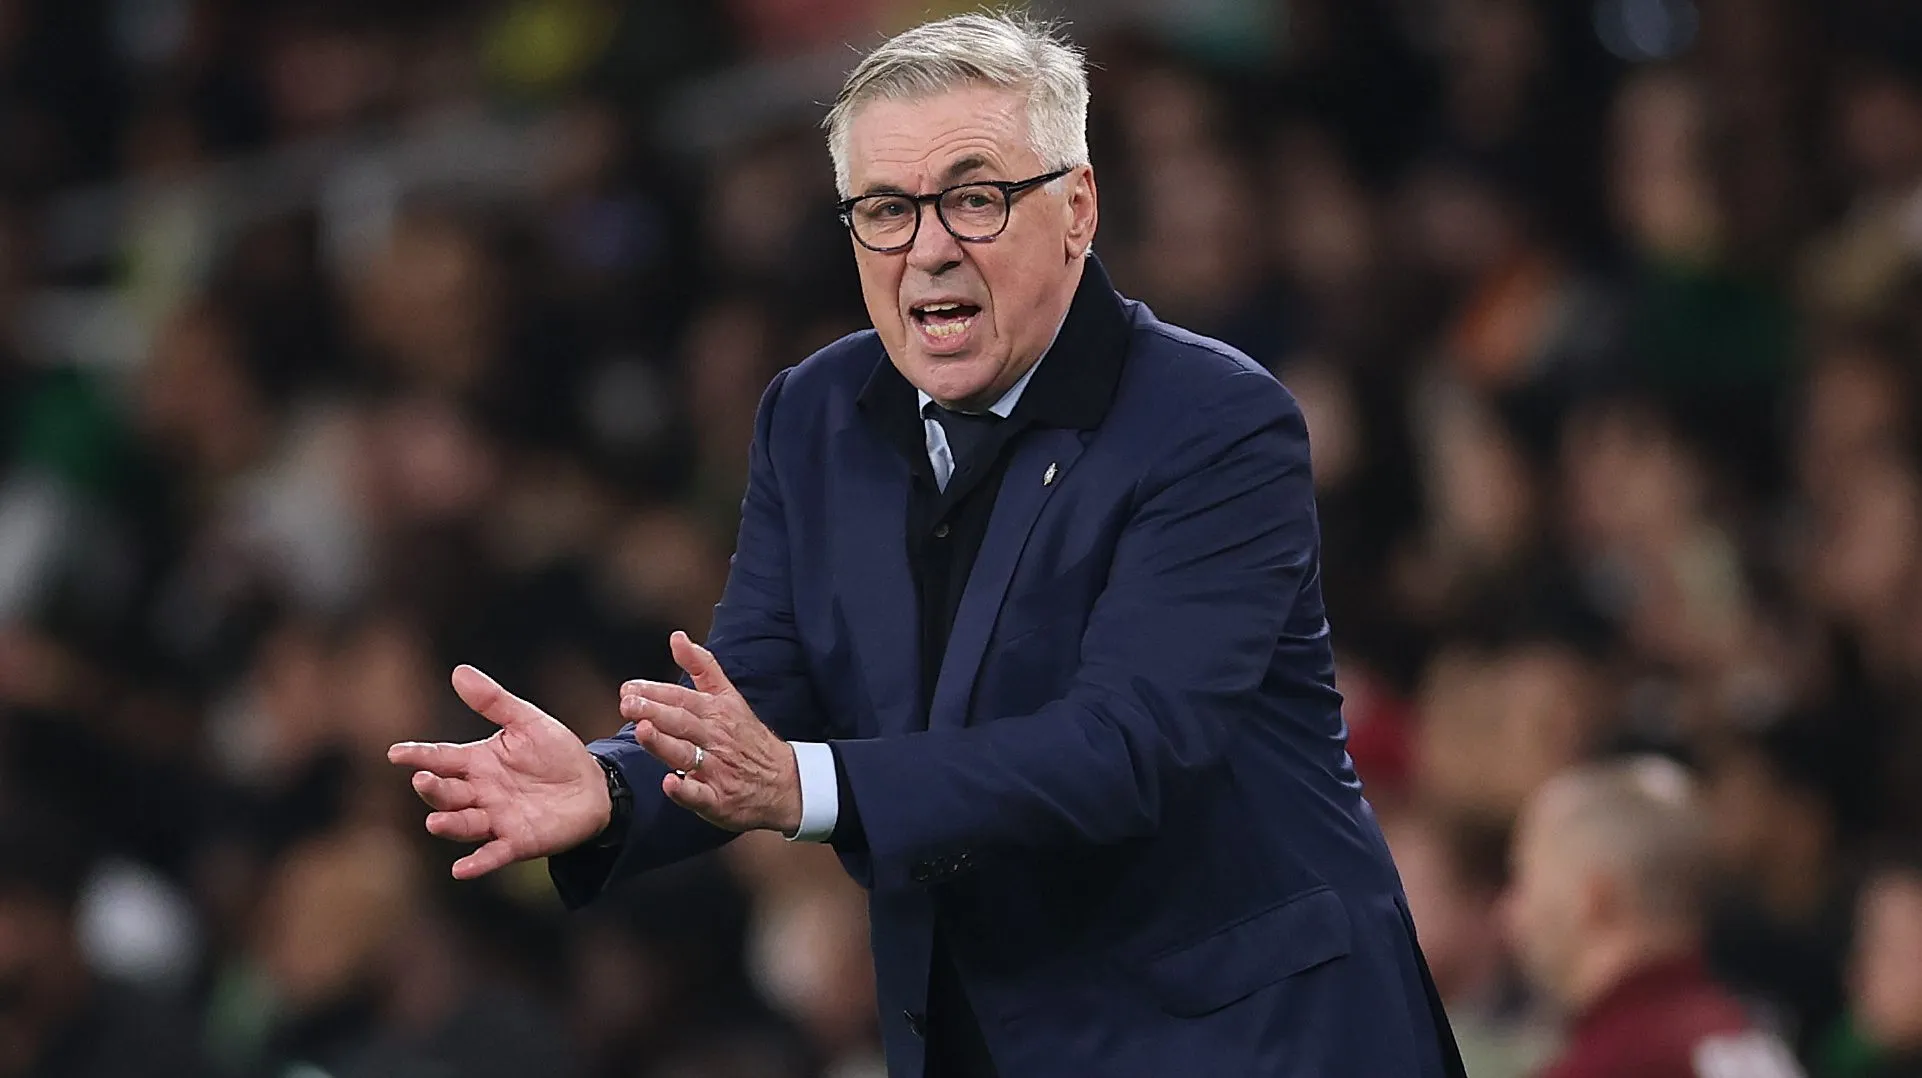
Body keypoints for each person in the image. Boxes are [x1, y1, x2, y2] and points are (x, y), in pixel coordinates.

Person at [389, 12, 1464, 1077]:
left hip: (1251, 1041)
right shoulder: (812, 414)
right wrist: (613, 783)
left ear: (1077, 208)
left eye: (975, 198)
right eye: (886, 210)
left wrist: (805, 787)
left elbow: (1123, 748)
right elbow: (766, 688)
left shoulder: (1213, 420)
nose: (929, 248)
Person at [1504, 757, 1805, 1078]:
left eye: (1525, 884)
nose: (1509, 913)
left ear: (1592, 900)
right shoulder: (1753, 1044)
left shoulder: (1602, 1069)